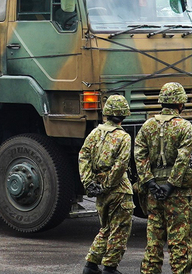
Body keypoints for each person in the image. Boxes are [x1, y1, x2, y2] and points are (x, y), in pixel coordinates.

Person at [134, 82, 192, 274]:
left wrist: (150, 183)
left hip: (153, 193)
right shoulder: (184, 127)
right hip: (177, 194)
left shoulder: (147, 126)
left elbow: (139, 155)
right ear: (180, 104)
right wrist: (171, 185)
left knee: (154, 240)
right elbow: (183, 158)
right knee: (179, 242)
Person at [79, 94, 134, 274]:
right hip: (119, 190)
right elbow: (121, 165)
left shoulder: (95, 133)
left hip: (99, 188)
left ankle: (91, 264)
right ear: (124, 114)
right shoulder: (123, 137)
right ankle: (110, 268)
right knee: (120, 229)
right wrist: (108, 184)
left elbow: (84, 156)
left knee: (106, 228)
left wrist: (89, 183)